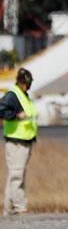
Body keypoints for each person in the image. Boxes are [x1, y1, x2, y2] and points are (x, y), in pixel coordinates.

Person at [0, 68, 36, 216]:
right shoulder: (13, 95)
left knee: (14, 176)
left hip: (24, 140)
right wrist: (15, 115)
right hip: (16, 141)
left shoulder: (22, 95)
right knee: (17, 175)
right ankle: (20, 207)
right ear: (25, 82)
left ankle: (8, 210)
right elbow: (1, 110)